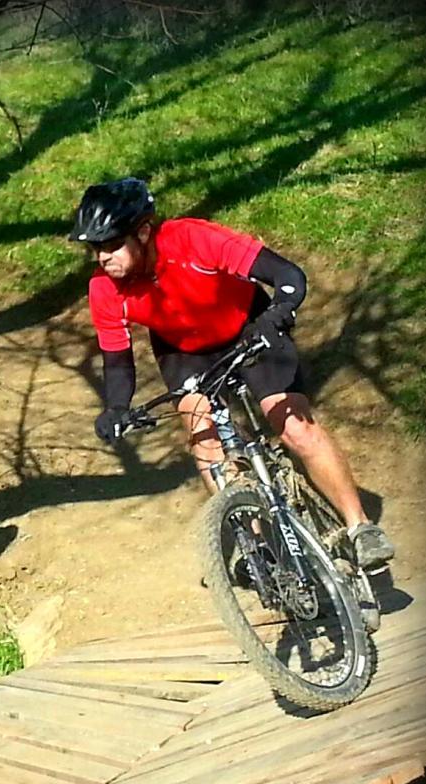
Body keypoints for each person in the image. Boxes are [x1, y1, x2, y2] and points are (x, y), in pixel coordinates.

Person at [69, 176, 394, 571]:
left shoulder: (192, 239)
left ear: (143, 231)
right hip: (183, 349)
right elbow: (118, 361)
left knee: (293, 427)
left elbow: (289, 277)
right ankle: (255, 545)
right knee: (202, 437)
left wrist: (276, 315)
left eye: (111, 244)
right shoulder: (104, 289)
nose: (103, 257)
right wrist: (116, 407)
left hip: (247, 325)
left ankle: (360, 528)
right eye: (95, 249)